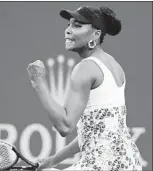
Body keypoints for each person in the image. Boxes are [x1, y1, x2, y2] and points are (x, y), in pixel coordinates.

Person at [27, 5, 142, 171]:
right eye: (69, 24)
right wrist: (53, 160)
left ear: (96, 34)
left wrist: (38, 83)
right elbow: (94, 132)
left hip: (103, 164)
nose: (68, 30)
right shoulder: (112, 64)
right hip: (128, 162)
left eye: (77, 26)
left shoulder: (85, 68)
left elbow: (65, 126)